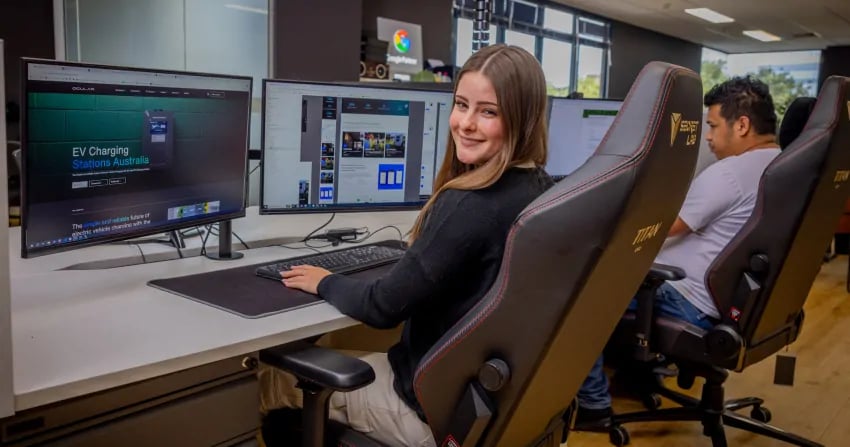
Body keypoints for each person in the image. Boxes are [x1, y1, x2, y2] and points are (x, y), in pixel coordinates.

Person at [260, 43, 554, 447]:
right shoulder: (542, 188)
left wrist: (325, 280)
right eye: (461, 104)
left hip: (427, 412)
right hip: (484, 403)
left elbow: (383, 307)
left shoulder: (469, 204)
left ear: (521, 118)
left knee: (272, 377)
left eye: (488, 111)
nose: (465, 123)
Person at [574, 75, 783, 430]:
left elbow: (656, 227)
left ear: (743, 125)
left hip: (688, 300)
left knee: (580, 291)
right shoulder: (781, 166)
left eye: (714, 126)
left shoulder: (730, 174)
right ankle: (636, 377)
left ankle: (592, 405)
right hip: (734, 302)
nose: (709, 137)